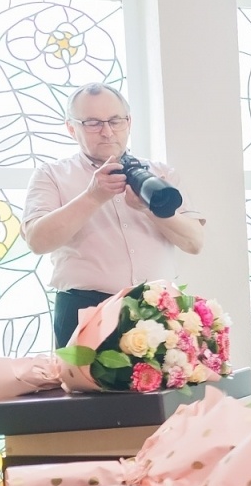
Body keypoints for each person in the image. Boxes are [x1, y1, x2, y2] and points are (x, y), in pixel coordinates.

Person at [23, 83, 206, 346]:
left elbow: (194, 242)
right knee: (82, 376)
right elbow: (37, 241)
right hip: (85, 309)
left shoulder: (161, 174)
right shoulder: (51, 174)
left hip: (158, 308)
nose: (107, 131)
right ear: (71, 128)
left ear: (129, 122)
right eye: (93, 123)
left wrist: (150, 209)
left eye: (115, 121)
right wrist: (93, 196)